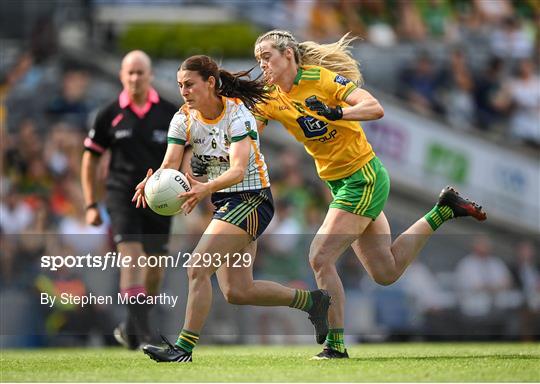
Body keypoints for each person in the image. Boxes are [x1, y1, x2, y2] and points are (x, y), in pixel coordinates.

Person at [252, 30, 487, 359]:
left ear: (288, 54)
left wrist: (339, 113)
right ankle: (443, 211)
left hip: (362, 178)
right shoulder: (271, 96)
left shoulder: (321, 79)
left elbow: (374, 107)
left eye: (267, 56)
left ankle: (335, 345)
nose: (262, 64)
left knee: (320, 257)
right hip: (340, 184)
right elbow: (248, 134)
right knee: (386, 272)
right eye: (258, 59)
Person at [133, 55, 330, 363]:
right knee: (239, 291)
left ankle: (183, 349)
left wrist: (203, 189)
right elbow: (171, 164)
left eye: (189, 84)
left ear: (210, 83)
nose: (183, 91)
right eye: (179, 85)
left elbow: (238, 170)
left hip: (253, 200)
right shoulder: (183, 118)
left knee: (197, 266)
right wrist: (153, 180)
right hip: (226, 202)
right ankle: (313, 302)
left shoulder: (239, 115)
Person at [81, 50, 181, 349]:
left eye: (140, 72)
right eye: (130, 72)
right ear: (122, 75)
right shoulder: (108, 114)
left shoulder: (169, 112)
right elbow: (90, 159)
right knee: (132, 258)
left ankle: (132, 324)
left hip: (160, 199)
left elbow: (185, 152)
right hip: (121, 194)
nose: (135, 77)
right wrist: (90, 204)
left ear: (150, 75)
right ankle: (145, 333)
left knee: (155, 269)